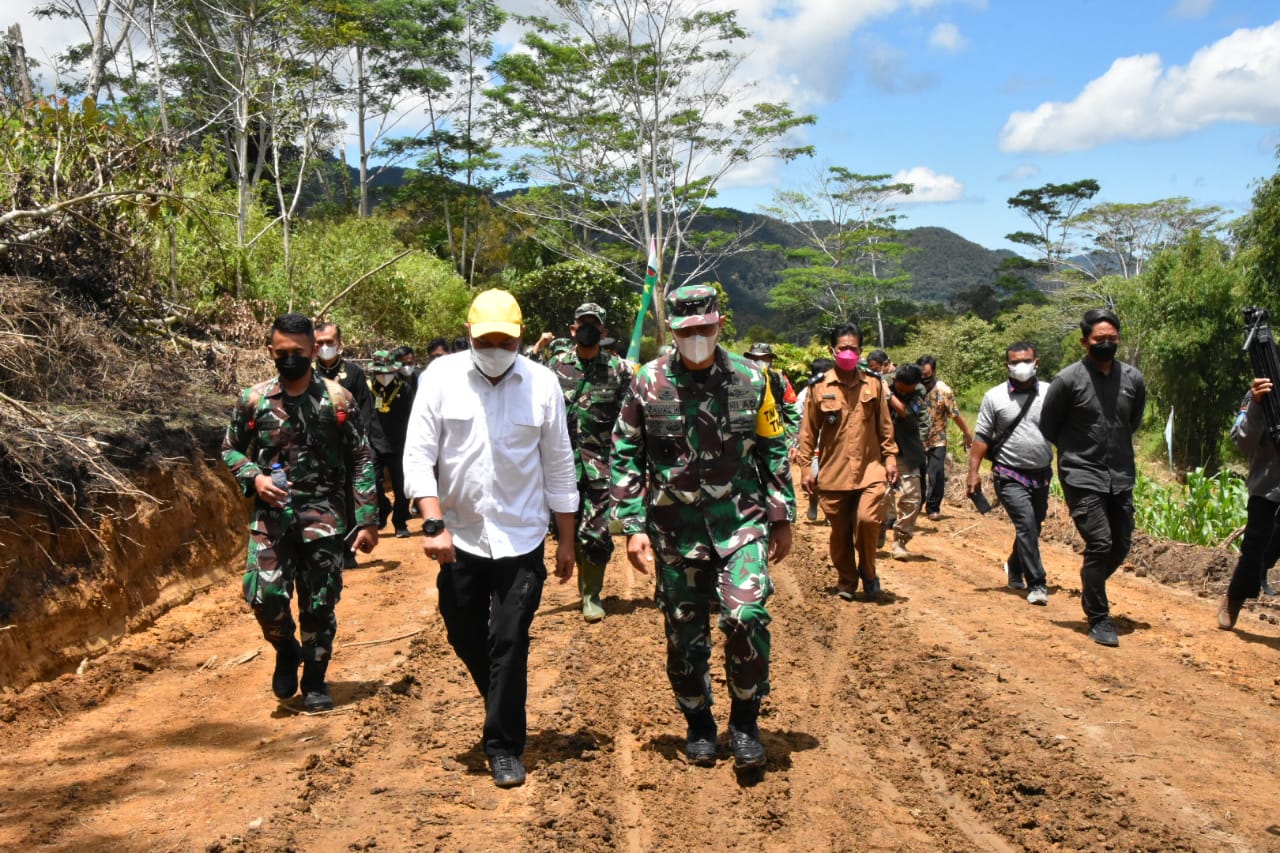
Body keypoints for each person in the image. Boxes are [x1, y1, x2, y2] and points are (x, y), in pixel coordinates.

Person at [611, 284, 794, 771]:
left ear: (719, 325)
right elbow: (626, 451)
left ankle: (745, 721)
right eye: (687, 330)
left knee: (746, 616)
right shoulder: (648, 381)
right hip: (675, 531)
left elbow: (774, 448)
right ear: (672, 330)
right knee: (684, 634)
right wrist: (632, 525)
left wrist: (781, 516)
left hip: (741, 523)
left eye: (705, 328)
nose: (697, 337)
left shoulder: (752, 379)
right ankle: (699, 724)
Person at [403, 289, 578, 789]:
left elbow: (559, 466)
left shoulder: (543, 384)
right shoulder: (440, 377)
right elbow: (418, 456)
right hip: (459, 535)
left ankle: (503, 746)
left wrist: (566, 541)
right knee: (462, 631)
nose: (496, 349)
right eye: (486, 341)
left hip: (522, 537)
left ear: (521, 337)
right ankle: (502, 697)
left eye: (506, 341)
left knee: (509, 638)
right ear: (469, 335)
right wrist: (433, 523)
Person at [221, 313, 379, 712]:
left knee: (319, 603)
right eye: (283, 352)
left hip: (323, 516)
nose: (291, 358)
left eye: (300, 351)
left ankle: (315, 679)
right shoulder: (254, 400)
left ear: (312, 350)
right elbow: (230, 448)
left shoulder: (337, 399)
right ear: (271, 351)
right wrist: (255, 477)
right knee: (266, 597)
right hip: (271, 517)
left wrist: (367, 519)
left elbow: (361, 456)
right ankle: (286, 650)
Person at [1039, 308, 1146, 647]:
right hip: (1081, 473)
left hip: (1121, 473)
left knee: (1121, 544)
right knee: (1100, 542)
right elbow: (1049, 425)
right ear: (1085, 341)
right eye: (1100, 339)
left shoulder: (1133, 379)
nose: (1106, 344)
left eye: (1112, 338)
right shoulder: (1067, 380)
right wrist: (1076, 451)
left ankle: (1091, 579)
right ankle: (1099, 617)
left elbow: (1132, 421)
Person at [795, 323, 899, 600]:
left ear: (861, 351)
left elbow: (885, 426)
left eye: (853, 348)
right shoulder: (819, 387)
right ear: (832, 350)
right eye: (843, 348)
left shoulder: (874, 384)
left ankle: (869, 572)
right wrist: (805, 468)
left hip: (870, 469)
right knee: (840, 534)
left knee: (867, 521)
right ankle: (847, 581)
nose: (848, 353)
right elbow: (808, 432)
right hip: (834, 472)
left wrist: (890, 457)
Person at [546, 302, 633, 621]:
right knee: (564, 532)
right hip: (561, 467)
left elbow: (630, 422)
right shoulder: (554, 367)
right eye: (582, 324)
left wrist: (630, 467)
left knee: (595, 532)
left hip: (602, 466)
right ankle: (584, 580)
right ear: (573, 329)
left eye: (594, 325)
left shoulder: (619, 370)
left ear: (603, 331)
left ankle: (591, 594)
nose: (587, 329)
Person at [967, 343, 1054, 605]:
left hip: (1041, 474)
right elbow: (982, 437)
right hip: (1008, 473)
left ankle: (1015, 566)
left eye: (1026, 360)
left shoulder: (1050, 392)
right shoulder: (994, 397)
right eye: (1015, 362)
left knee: (1033, 526)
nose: (1021, 366)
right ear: (1007, 366)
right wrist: (973, 472)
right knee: (1026, 524)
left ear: (1037, 362)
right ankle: (1037, 583)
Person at [314, 321, 386, 568]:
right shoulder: (308, 374)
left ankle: (348, 550)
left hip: (348, 448)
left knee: (348, 497)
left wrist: (361, 442)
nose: (325, 347)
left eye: (329, 342)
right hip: (318, 452)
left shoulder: (353, 373)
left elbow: (365, 411)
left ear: (339, 344)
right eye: (320, 343)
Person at [1218, 378, 1280, 628]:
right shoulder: (1261, 392)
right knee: (1255, 549)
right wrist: (1255, 404)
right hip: (1268, 486)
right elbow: (1242, 440)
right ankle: (1234, 597)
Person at [916, 355, 973, 521]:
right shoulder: (913, 388)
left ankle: (933, 507)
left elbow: (955, 414)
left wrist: (967, 433)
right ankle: (917, 502)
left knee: (937, 473)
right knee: (918, 474)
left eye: (927, 375)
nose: (924, 379)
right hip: (917, 439)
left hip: (937, 438)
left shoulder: (944, 391)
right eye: (921, 375)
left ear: (934, 372)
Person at [367, 350, 415, 538]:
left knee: (401, 486)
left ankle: (400, 522)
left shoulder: (404, 388)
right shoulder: (368, 389)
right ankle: (384, 506)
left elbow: (412, 416)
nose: (384, 376)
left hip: (400, 444)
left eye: (388, 372)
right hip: (374, 443)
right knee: (372, 481)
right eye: (380, 372)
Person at [886, 363, 928, 560]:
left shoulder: (919, 391)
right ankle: (877, 529)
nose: (904, 392)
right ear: (894, 380)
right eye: (901, 389)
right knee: (879, 496)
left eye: (907, 390)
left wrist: (888, 396)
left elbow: (907, 413)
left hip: (907, 452)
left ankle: (900, 541)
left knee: (912, 498)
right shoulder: (879, 384)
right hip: (879, 451)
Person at [793, 357, 834, 524]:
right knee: (816, 478)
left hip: (834, 446)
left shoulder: (838, 391)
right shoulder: (805, 394)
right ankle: (813, 501)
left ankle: (831, 514)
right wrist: (795, 445)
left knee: (832, 480)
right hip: (813, 446)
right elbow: (796, 421)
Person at [744, 343, 801, 441]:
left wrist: (792, 441)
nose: (759, 361)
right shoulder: (740, 380)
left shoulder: (780, 380)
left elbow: (792, 414)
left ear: (770, 360)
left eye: (764, 358)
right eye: (755, 358)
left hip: (774, 436)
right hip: (747, 438)